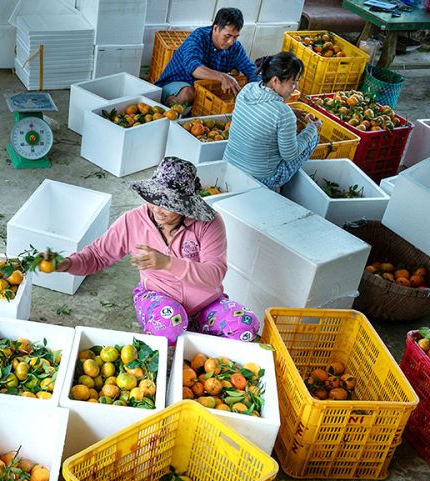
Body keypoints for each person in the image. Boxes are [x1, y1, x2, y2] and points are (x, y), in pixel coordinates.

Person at [46, 157, 260, 345]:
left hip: (206, 303)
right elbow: (97, 255)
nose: (157, 208)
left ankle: (198, 341)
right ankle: (175, 343)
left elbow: (215, 274)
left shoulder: (208, 224)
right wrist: (67, 263)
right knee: (168, 325)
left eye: (168, 204)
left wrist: (167, 263)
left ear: (185, 205)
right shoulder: (133, 221)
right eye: (154, 198)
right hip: (158, 297)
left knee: (245, 326)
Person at [224, 52, 322, 190]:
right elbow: (290, 155)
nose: (296, 88)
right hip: (261, 177)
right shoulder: (283, 114)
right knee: (312, 138)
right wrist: (312, 128)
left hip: (229, 163)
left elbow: (262, 113)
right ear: (275, 80)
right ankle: (276, 189)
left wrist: (290, 114)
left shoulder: (247, 89)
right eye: (293, 82)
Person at [155, 7, 260, 108]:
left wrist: (261, 89)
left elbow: (252, 71)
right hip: (175, 84)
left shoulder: (235, 48)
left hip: (201, 90)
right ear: (215, 28)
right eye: (227, 36)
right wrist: (223, 77)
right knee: (188, 93)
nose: (231, 42)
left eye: (235, 37)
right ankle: (167, 113)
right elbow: (194, 68)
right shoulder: (198, 37)